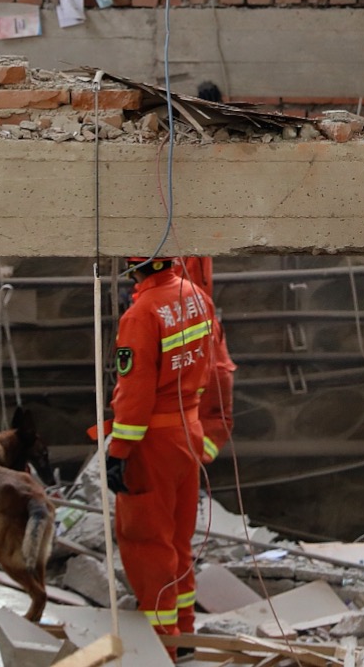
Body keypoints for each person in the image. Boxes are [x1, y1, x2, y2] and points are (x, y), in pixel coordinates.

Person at [102, 256, 231, 636]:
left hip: (152, 442)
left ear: (132, 269)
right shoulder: (197, 297)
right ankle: (185, 634)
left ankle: (163, 646)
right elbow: (210, 366)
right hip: (187, 433)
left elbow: (135, 393)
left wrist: (119, 451)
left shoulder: (141, 315)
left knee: (147, 544)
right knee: (178, 540)